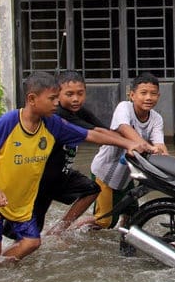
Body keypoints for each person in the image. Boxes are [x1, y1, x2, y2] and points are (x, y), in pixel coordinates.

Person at [0, 71, 142, 271]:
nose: (55, 103)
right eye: (52, 98)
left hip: (22, 199)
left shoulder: (52, 124)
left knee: (32, 243)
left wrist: (130, 143)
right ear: (32, 99)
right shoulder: (9, 122)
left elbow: (92, 135)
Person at [32, 70, 152, 235]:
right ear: (57, 94)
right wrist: (130, 143)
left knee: (91, 189)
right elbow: (95, 134)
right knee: (31, 232)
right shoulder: (59, 114)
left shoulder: (79, 111)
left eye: (80, 94)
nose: (76, 99)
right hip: (43, 175)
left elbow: (104, 130)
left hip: (61, 172)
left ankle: (59, 229)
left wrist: (136, 143)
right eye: (69, 94)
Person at [90, 72, 169, 229]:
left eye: (153, 94)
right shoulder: (123, 107)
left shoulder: (156, 118)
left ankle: (125, 245)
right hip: (104, 174)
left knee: (133, 217)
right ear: (132, 95)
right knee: (103, 222)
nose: (148, 98)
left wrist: (166, 159)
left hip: (126, 176)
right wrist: (148, 147)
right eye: (143, 93)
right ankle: (73, 231)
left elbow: (159, 144)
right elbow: (125, 129)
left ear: (158, 96)